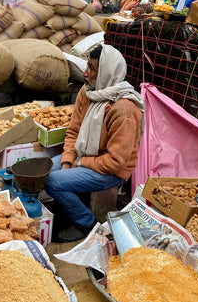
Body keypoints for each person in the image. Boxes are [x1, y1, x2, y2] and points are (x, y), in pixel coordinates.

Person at [45, 44, 145, 242]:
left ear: (106, 73)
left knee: (52, 182)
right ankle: (73, 207)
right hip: (85, 157)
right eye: (87, 66)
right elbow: (73, 131)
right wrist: (67, 162)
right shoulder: (88, 91)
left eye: (92, 69)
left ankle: (87, 223)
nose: (85, 73)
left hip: (111, 171)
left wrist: (81, 163)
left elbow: (117, 162)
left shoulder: (123, 110)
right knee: (46, 170)